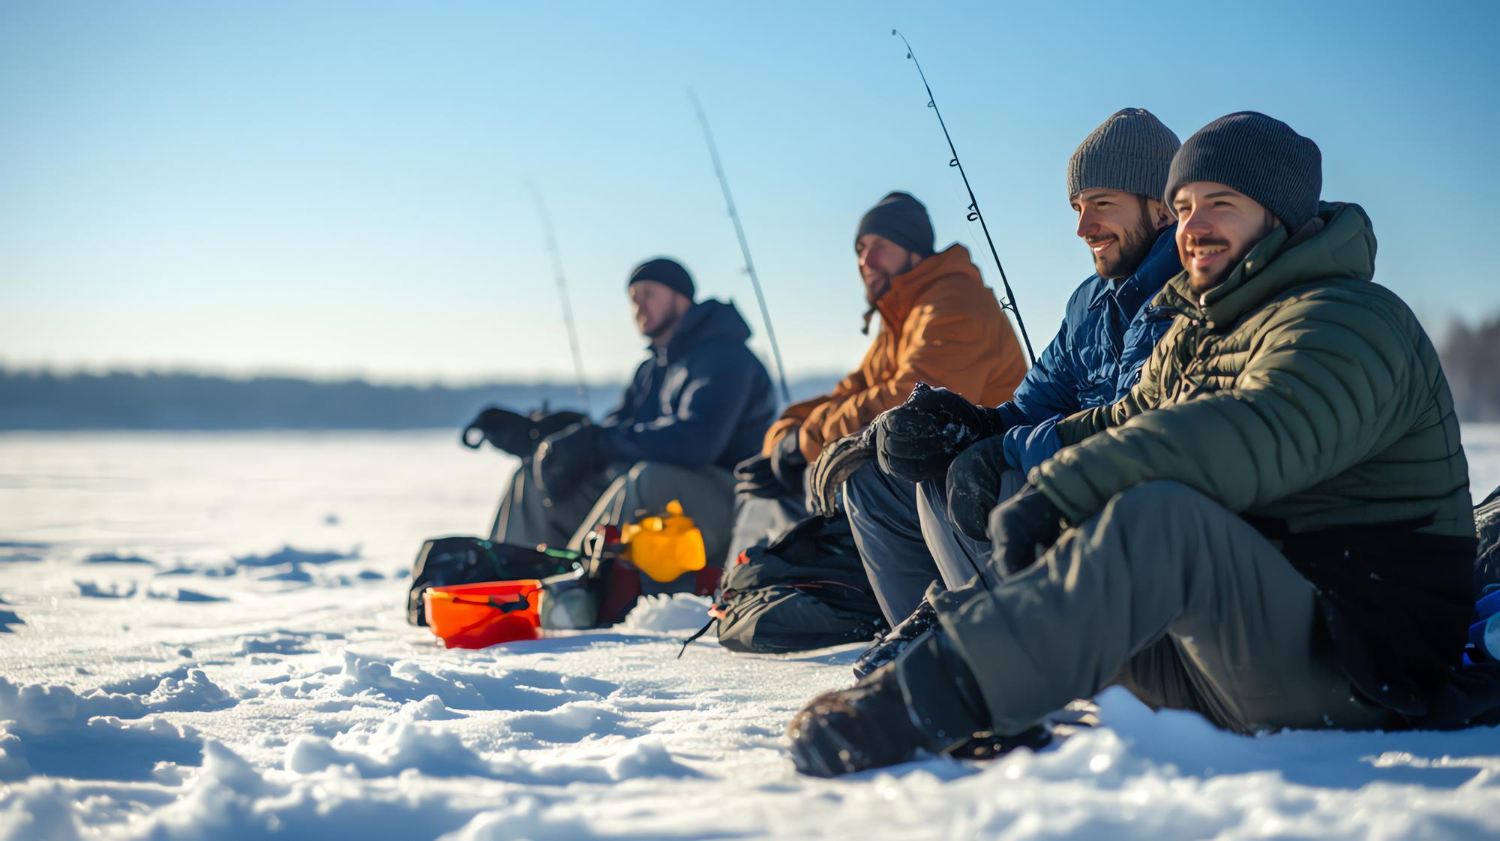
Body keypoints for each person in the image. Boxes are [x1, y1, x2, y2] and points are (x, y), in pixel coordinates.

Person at [787, 112, 1479, 777]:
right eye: (1185, 205)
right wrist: (991, 440)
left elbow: (1247, 436)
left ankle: (920, 705)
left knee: (1160, 516)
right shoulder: (1206, 325)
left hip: (1357, 669)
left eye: (1221, 203)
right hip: (1230, 647)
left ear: (1280, 213)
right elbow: (1126, 417)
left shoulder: (1348, 319)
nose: (1195, 226)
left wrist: (1058, 487)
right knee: (1097, 524)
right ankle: (968, 664)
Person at [819, 108, 1182, 639]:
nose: (1082, 227)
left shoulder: (1187, 292)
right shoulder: (1090, 301)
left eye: (1103, 204)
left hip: (1124, 500)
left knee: (958, 474)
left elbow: (1139, 427)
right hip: (1066, 472)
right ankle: (926, 644)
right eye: (1077, 207)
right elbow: (1029, 404)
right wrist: (967, 422)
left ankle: (984, 653)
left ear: (1162, 207)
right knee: (887, 474)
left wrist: (1000, 448)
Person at [727, 191, 1027, 562]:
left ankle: (822, 591)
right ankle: (760, 590)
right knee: (783, 484)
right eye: (860, 248)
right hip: (923, 468)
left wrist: (805, 444)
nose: (865, 260)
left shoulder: (955, 303)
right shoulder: (901, 319)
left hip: (974, 480)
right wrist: (786, 435)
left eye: (881, 246)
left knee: (822, 477)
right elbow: (850, 393)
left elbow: (908, 401)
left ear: (913, 249)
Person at [490, 257, 776, 594]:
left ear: (681, 297)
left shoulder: (724, 357)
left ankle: (569, 590)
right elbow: (616, 430)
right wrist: (552, 438)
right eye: (633, 298)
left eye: (648, 294)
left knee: (647, 477)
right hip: (659, 500)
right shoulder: (650, 369)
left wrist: (598, 443)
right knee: (532, 476)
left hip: (730, 501)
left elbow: (697, 443)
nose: (638, 305)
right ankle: (502, 587)